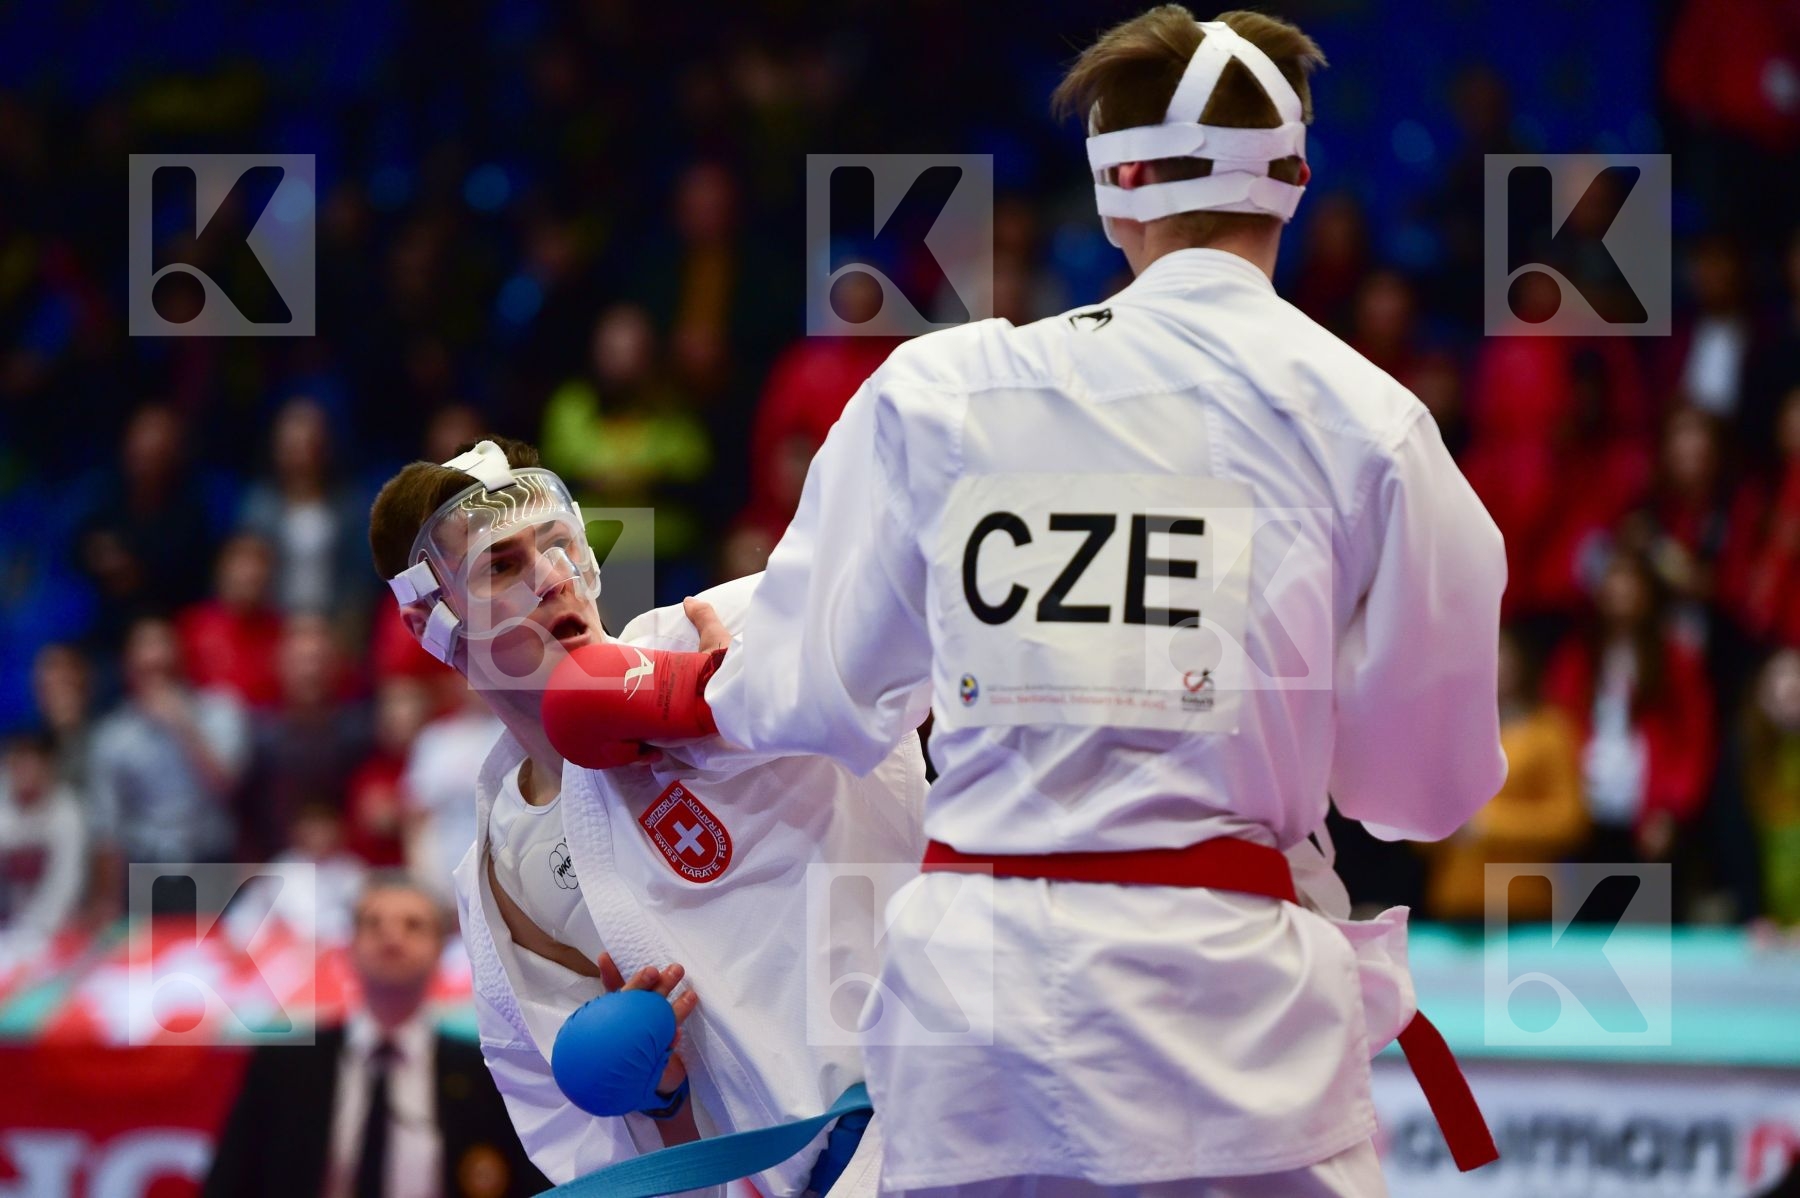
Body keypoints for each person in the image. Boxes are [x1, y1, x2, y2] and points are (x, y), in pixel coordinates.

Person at [560, 9, 1509, 1196]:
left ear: (1113, 196)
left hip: (973, 1030)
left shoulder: (947, 389)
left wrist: (669, 688)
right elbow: (1419, 791)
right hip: (1234, 1037)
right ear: (1299, 179)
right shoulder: (1372, 426)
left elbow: (808, 689)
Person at [368, 436, 925, 1195]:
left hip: (945, 1105)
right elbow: (624, 1157)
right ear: (436, 624)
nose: (553, 578)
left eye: (560, 544)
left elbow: (929, 613)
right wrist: (660, 1099)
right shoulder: (505, 887)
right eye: (502, 567)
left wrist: (739, 698)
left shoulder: (722, 627)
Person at [202, 872, 549, 1198]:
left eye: (413, 925)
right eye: (373, 923)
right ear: (349, 945)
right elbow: (229, 1182)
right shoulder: (284, 1066)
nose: (392, 936)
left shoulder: (486, 1073)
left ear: (442, 948)